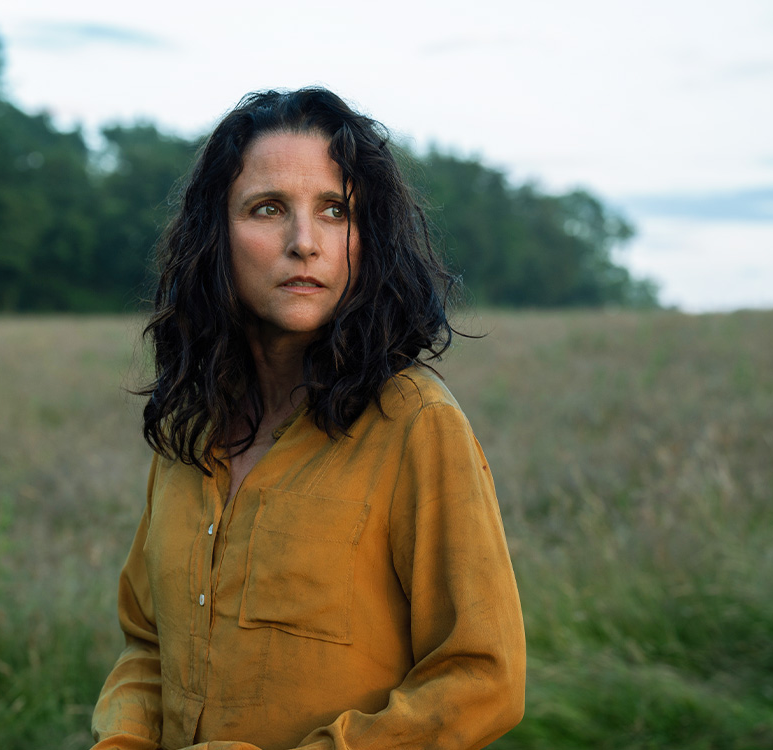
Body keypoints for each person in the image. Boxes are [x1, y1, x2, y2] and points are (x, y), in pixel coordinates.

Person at [91, 87, 525, 750]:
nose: (304, 243)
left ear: (367, 239)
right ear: (217, 235)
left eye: (335, 211)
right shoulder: (189, 431)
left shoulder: (416, 425)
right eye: (268, 209)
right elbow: (148, 646)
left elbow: (481, 678)